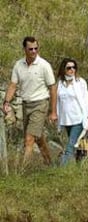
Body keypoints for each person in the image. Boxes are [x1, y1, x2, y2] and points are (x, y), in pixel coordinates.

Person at [2, 36, 57, 166]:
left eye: (36, 48)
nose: (33, 51)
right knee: (37, 137)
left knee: (29, 138)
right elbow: (13, 85)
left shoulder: (44, 65)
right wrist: (6, 102)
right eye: (30, 49)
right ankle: (50, 163)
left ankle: (23, 170)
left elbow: (53, 88)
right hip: (26, 104)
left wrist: (53, 111)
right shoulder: (18, 65)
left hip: (40, 104)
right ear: (25, 49)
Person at [56, 58, 88, 166]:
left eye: (74, 67)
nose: (72, 70)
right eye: (69, 68)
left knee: (70, 146)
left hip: (78, 119)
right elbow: (57, 102)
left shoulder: (80, 82)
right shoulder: (60, 84)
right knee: (74, 145)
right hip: (66, 120)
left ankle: (61, 170)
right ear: (64, 69)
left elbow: (86, 100)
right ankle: (79, 166)